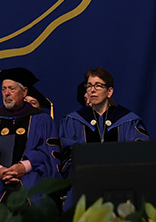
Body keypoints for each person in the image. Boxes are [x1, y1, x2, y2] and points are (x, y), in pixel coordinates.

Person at [0, 68, 58, 222]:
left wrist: (24, 166)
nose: (6, 93)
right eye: (3, 89)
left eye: (11, 89)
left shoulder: (41, 119)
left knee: (40, 201)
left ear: (24, 91)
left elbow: (47, 151)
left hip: (30, 173)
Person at [59, 68, 149, 209]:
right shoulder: (73, 121)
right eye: (89, 86)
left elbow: (139, 153)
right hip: (84, 183)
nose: (92, 90)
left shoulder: (128, 120)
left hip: (121, 184)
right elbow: (65, 155)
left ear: (109, 91)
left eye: (98, 85)